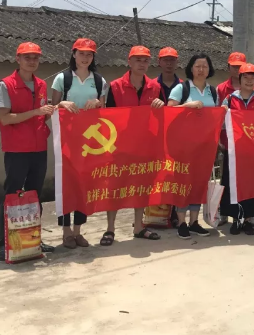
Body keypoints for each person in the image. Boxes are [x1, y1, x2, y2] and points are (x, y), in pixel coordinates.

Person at [0, 42, 56, 261]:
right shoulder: (6, 85)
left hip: (38, 147)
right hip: (16, 148)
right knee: (12, 194)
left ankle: (33, 239)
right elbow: (5, 117)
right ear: (18, 59)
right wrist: (36, 112)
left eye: (35, 58)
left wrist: (55, 111)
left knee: (34, 195)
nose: (32, 61)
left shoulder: (40, 85)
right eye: (27, 57)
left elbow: (42, 115)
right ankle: (3, 244)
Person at [100, 46, 165, 246]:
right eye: (138, 60)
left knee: (142, 186)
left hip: (145, 145)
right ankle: (110, 229)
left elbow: (162, 115)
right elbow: (107, 116)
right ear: (129, 62)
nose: (142, 64)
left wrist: (161, 106)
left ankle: (138, 227)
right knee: (115, 187)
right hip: (119, 146)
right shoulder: (115, 86)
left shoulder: (155, 87)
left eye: (145, 60)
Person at [51, 38, 108, 249]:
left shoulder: (100, 81)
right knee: (67, 185)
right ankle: (66, 232)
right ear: (74, 54)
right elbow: (52, 106)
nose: (85, 58)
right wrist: (61, 103)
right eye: (81, 53)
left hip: (90, 142)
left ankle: (78, 231)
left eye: (89, 54)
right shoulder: (62, 79)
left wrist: (98, 104)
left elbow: (105, 111)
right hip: (66, 140)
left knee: (85, 185)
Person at [167, 53, 219, 240]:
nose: (201, 69)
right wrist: (187, 106)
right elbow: (169, 111)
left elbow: (216, 115)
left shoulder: (213, 91)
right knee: (183, 183)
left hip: (205, 146)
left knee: (198, 183)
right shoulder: (182, 88)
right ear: (191, 68)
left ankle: (194, 222)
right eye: (197, 66)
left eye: (204, 66)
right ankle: (181, 222)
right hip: (183, 146)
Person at [220, 63, 254, 235]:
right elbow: (221, 122)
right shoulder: (230, 99)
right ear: (239, 79)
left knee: (252, 184)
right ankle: (235, 219)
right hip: (234, 151)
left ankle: (248, 220)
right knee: (233, 185)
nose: (249, 80)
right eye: (245, 77)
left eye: (252, 77)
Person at [215, 51, 247, 227]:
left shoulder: (253, 88)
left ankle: (245, 212)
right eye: (234, 66)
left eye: (240, 66)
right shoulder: (221, 89)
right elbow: (218, 115)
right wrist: (219, 138)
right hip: (227, 141)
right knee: (226, 178)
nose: (237, 70)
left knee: (245, 178)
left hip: (247, 143)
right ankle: (223, 213)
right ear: (228, 67)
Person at [156, 46, 183, 228]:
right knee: (158, 175)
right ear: (159, 62)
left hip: (177, 138)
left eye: (172, 60)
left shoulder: (183, 86)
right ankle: (156, 213)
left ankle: (174, 213)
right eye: (165, 60)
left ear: (176, 62)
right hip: (156, 137)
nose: (168, 63)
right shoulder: (151, 85)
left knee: (176, 176)